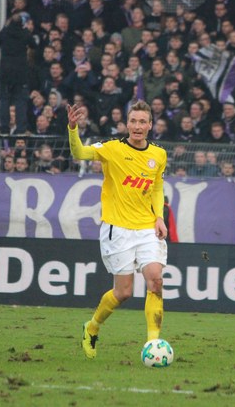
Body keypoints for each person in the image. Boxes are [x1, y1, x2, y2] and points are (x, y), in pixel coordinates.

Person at [67, 100, 168, 359]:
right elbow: (79, 153)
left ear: (150, 125)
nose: (137, 126)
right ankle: (92, 327)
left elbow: (157, 187)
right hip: (118, 229)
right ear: (127, 124)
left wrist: (159, 217)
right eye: (133, 121)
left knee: (155, 280)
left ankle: (153, 345)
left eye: (142, 122)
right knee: (123, 292)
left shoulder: (159, 154)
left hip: (147, 227)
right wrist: (73, 129)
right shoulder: (112, 149)